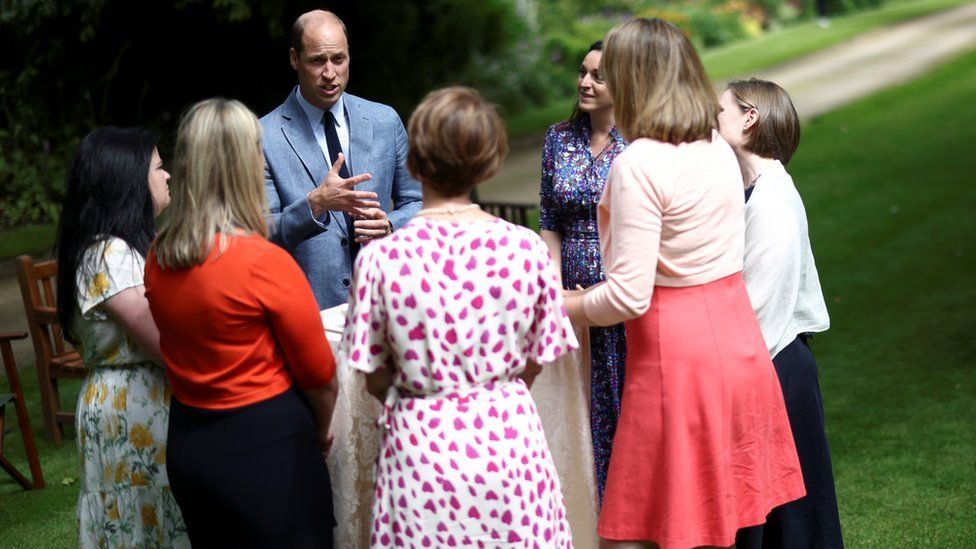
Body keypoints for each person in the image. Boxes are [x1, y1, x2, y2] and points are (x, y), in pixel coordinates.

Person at [563, 19, 806, 548]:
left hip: (677, 362)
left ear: (633, 80)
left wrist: (556, 305)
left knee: (641, 534)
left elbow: (627, 295)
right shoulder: (715, 146)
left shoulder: (639, 163)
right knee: (717, 525)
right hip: (738, 348)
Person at [340, 86, 579, 546]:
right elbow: (538, 355)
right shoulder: (525, 248)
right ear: (489, 164)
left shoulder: (381, 259)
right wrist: (489, 390)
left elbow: (371, 372)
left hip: (420, 453)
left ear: (413, 165)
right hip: (507, 442)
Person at [145, 98, 338, 548]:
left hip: (191, 444)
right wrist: (323, 430)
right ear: (247, 164)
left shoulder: (159, 257)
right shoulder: (262, 262)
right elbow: (319, 376)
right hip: (267, 450)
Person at [717, 78, 844, 549]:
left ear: (749, 117)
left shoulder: (771, 200)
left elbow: (759, 306)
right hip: (764, 366)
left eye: (720, 109)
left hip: (773, 368)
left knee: (788, 523)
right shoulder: (752, 189)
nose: (712, 118)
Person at [56, 126, 189, 548]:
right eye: (157, 167)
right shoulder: (108, 254)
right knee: (139, 523)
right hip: (131, 408)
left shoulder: (125, 247)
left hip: (140, 400)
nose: (167, 175)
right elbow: (164, 342)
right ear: (129, 181)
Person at [261, 9, 422, 309]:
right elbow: (259, 232)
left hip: (388, 302)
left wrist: (390, 225)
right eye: (317, 61)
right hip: (310, 315)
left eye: (338, 59)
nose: (330, 73)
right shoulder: (262, 136)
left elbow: (421, 203)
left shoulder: (384, 120)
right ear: (295, 58)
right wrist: (315, 204)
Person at [539, 39, 628, 502]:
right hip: (565, 286)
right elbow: (549, 219)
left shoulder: (639, 144)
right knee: (575, 401)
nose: (585, 82)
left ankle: (624, 504)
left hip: (620, 286)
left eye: (598, 75)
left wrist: (608, 285)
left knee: (618, 398)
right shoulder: (558, 138)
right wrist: (553, 288)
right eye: (582, 72)